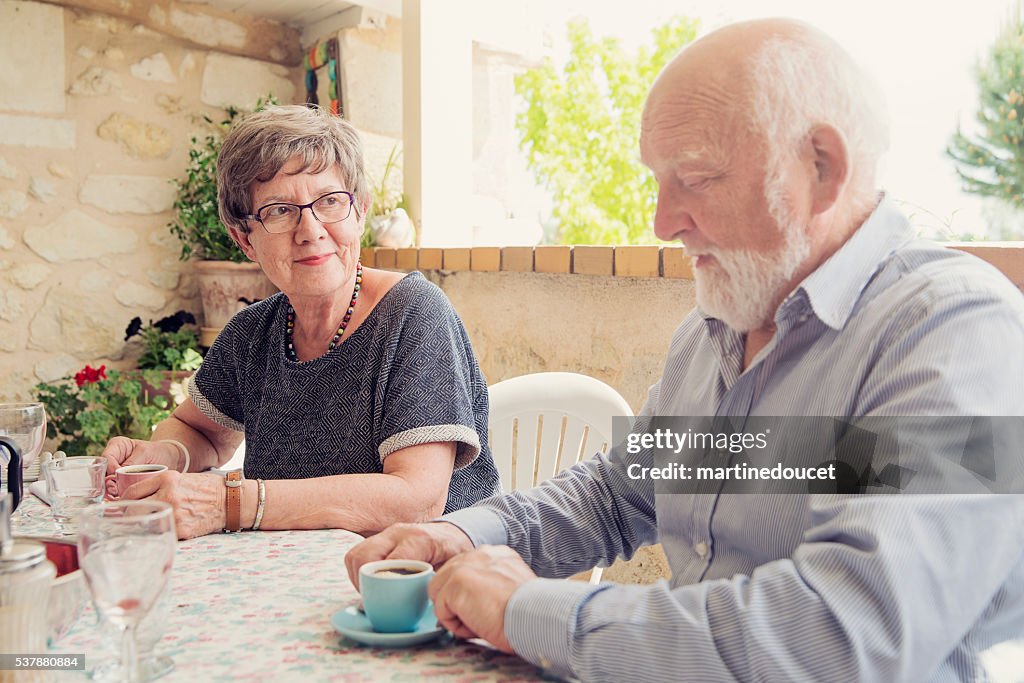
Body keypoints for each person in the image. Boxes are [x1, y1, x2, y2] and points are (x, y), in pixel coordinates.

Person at [345, 18, 1024, 682]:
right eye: (658, 180)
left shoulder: (953, 332)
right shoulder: (719, 325)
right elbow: (620, 492)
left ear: (823, 167)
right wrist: (469, 534)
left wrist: (530, 609)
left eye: (695, 178)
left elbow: (847, 631)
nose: (663, 222)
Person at [102, 104, 500, 539]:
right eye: (278, 210)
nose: (310, 229)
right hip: (291, 575)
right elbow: (202, 432)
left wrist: (228, 503)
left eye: (330, 202)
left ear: (360, 211)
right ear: (245, 239)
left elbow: (416, 500)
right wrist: (165, 453)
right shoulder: (252, 333)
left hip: (415, 582)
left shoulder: (414, 315)